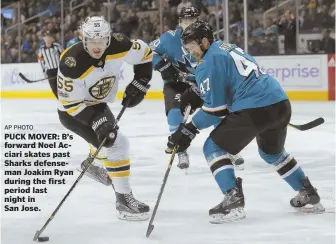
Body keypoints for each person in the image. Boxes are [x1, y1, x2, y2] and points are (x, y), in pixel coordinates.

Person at [166, 20, 325, 223]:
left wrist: (189, 129)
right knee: (272, 153)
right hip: (280, 103)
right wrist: (200, 90)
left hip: (254, 108)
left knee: (213, 147)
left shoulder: (208, 61)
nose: (190, 53)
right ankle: (307, 192)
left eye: (192, 47)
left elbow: (216, 111)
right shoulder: (226, 47)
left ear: (204, 41)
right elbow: (228, 82)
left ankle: (233, 200)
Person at [57, 16, 153, 221]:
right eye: (92, 41)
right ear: (84, 39)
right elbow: (70, 105)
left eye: (101, 41)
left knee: (108, 140)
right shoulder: (71, 61)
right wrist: (97, 122)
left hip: (98, 105)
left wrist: (141, 81)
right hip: (74, 112)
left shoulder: (120, 43)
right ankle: (124, 201)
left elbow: (145, 54)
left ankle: (93, 165)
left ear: (108, 38)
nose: (97, 46)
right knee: (118, 144)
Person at [150, 7, 244, 171]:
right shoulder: (169, 38)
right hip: (177, 84)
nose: (189, 24)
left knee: (219, 113)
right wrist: (161, 65)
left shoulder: (205, 37)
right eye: (186, 21)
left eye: (193, 21)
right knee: (175, 115)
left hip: (201, 82)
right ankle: (181, 150)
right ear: (180, 23)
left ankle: (226, 146)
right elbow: (147, 51)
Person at [37, 31, 64, 98]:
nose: (47, 39)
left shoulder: (57, 46)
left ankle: (65, 100)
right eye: (46, 37)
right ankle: (60, 101)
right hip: (50, 71)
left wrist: (64, 67)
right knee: (54, 88)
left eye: (49, 37)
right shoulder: (41, 49)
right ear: (43, 39)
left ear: (52, 39)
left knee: (62, 86)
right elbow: (40, 61)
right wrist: (44, 71)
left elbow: (64, 56)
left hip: (59, 69)